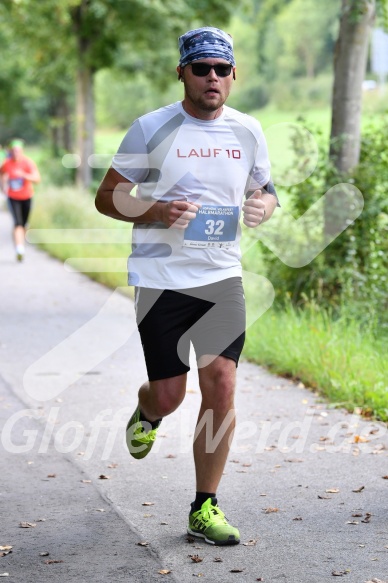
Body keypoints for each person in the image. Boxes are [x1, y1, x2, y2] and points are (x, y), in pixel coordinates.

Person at [95, 26, 279, 546]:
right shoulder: (151, 129)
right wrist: (156, 210)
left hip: (221, 277)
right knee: (172, 395)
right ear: (182, 73)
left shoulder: (248, 131)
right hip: (160, 280)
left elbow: (265, 191)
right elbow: (108, 197)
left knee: (221, 380)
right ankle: (149, 407)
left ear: (234, 74)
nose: (213, 78)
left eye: (222, 69)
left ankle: (205, 505)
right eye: (201, 68)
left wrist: (262, 207)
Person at [0, 139, 41, 261]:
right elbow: (1, 174)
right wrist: (3, 186)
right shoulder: (7, 163)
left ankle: (20, 242)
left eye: (18, 150)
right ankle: (19, 248)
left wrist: (24, 175)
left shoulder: (28, 163)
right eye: (13, 151)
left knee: (23, 224)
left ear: (22, 151)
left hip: (27, 196)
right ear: (11, 151)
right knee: (17, 223)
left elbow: (37, 179)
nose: (15, 153)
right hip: (13, 197)